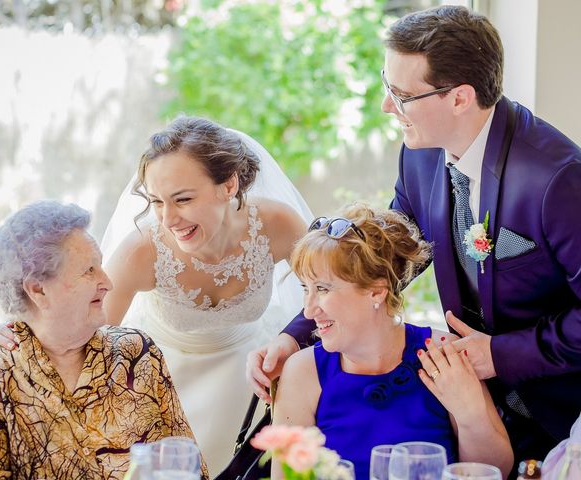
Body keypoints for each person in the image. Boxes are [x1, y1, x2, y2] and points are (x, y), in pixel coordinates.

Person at [247, 4, 581, 465]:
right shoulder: (421, 155)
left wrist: (500, 355)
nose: (387, 106)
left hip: (558, 414)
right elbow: (387, 257)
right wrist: (298, 334)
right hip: (467, 400)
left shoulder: (557, 179)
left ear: (460, 98)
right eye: (388, 87)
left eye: (402, 95)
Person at [0, 116, 312, 475]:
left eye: (183, 199)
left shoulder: (278, 224)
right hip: (162, 391)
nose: (169, 218)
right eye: (156, 201)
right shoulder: (143, 250)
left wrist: (287, 344)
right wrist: (16, 336)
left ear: (228, 185)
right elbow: (79, 334)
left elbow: (324, 294)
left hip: (249, 380)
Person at [0, 200, 208, 479]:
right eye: (89, 270)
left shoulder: (136, 352)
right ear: (38, 289)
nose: (108, 282)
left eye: (101, 266)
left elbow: (187, 465)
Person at [271, 203, 513, 479]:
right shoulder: (302, 373)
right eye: (306, 289)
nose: (308, 310)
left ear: (376, 291)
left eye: (323, 289)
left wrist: (470, 416)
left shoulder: (440, 352)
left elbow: (496, 471)